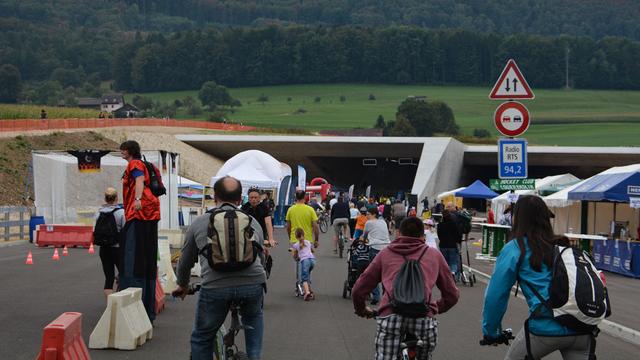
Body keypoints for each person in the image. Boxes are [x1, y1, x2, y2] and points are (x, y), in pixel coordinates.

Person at [482, 195, 594, 359]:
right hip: (582, 327)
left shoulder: (515, 249)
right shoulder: (563, 245)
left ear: (518, 218)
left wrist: (491, 332)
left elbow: (496, 295)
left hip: (545, 328)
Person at [173, 176, 266, 360]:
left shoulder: (199, 222)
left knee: (202, 337)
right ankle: (254, 356)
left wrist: (183, 285)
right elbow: (261, 257)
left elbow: (184, 262)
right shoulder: (252, 222)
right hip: (253, 284)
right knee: (253, 324)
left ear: (215, 197)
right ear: (240, 199)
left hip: (215, 287)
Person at [352, 217, 460, 360]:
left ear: (398, 233)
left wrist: (362, 310)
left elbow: (359, 289)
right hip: (424, 319)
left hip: (391, 317)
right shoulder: (434, 255)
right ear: (423, 235)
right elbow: (452, 295)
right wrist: (435, 308)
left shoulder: (385, 254)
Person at [119, 140, 160, 323]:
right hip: (151, 213)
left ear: (129, 151)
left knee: (133, 257)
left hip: (139, 213)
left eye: (123, 150)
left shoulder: (135, 164)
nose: (121, 152)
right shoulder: (145, 163)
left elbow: (139, 179)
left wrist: (136, 199)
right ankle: (147, 309)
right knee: (147, 258)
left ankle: (133, 304)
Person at [97, 188, 125, 298]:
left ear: (105, 198)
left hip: (104, 249)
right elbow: (125, 229)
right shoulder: (121, 213)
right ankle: (121, 303)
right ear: (117, 198)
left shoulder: (99, 213)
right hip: (117, 249)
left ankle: (110, 307)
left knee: (108, 278)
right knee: (124, 274)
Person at [362, 207, 390, 305]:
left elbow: (364, 235)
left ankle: (376, 296)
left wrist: (364, 241)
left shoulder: (369, 223)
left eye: (368, 214)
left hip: (375, 247)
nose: (366, 216)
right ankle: (386, 295)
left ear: (373, 214)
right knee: (386, 272)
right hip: (387, 248)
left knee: (373, 273)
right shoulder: (383, 222)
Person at [291, 228, 316, 301]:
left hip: (305, 261)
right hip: (312, 260)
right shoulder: (308, 242)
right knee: (307, 274)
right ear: (303, 235)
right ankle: (310, 290)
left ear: (296, 237)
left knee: (304, 278)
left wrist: (296, 257)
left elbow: (295, 256)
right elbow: (312, 250)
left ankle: (307, 292)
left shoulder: (296, 245)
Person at [437, 209, 462, 281]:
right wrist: (458, 241)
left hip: (443, 245)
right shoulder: (454, 224)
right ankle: (453, 272)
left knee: (445, 261)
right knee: (453, 261)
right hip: (452, 245)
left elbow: (439, 236)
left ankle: (445, 276)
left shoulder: (440, 225)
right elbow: (458, 234)